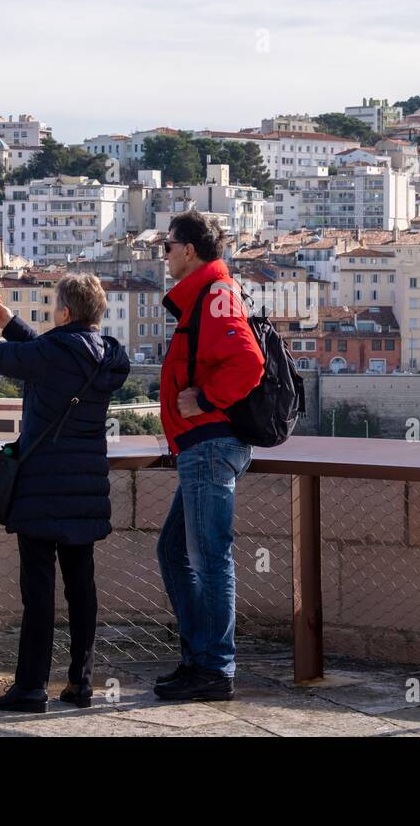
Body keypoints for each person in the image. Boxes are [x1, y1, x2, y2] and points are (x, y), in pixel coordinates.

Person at [0, 272, 130, 712]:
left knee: (38, 592)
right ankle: (81, 682)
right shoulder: (107, 356)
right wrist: (11, 322)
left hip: (41, 489)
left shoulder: (53, 353)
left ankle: (30, 687)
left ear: (64, 312)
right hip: (85, 488)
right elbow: (54, 354)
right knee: (82, 588)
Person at [154, 210, 264, 701]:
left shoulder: (216, 293)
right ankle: (198, 659)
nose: (165, 256)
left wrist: (203, 400)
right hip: (201, 446)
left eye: (168, 247)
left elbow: (248, 362)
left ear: (189, 250)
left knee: (210, 559)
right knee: (174, 551)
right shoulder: (205, 293)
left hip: (209, 444)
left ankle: (215, 669)